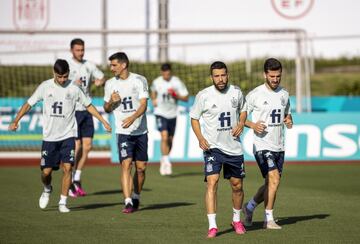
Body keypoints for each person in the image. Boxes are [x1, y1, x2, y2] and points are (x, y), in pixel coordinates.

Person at [8, 59, 111, 213]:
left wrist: (103, 121)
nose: (62, 79)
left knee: (68, 168)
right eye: (59, 76)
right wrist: (16, 120)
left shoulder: (75, 88)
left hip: (68, 135)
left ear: (68, 73)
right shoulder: (45, 87)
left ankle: (63, 202)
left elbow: (88, 105)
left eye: (65, 76)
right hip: (49, 138)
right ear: (54, 73)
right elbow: (29, 103)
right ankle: (47, 188)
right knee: (46, 172)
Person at [190, 61, 247, 238]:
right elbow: (194, 118)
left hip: (234, 148)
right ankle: (212, 226)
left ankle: (236, 220)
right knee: (212, 182)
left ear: (227, 75)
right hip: (212, 148)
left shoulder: (236, 92)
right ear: (212, 77)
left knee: (237, 186)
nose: (220, 79)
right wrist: (200, 138)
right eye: (217, 76)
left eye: (223, 75)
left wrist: (241, 122)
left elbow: (244, 109)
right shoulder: (204, 95)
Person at [242, 58, 293, 229]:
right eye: (272, 76)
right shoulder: (255, 94)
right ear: (265, 75)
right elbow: (239, 117)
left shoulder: (284, 94)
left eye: (278, 76)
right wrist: (253, 125)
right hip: (262, 145)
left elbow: (287, 114)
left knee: (270, 183)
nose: (275, 79)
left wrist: (288, 120)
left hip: (279, 145)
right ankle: (268, 219)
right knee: (274, 178)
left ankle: (249, 208)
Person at [103, 52, 149, 214]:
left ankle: (136, 196)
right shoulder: (109, 84)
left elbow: (144, 105)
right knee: (126, 164)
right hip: (122, 132)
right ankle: (128, 201)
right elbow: (106, 108)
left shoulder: (139, 80)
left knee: (141, 168)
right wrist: (111, 102)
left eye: (114, 65)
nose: (111, 68)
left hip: (140, 131)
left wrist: (133, 117)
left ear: (123, 65)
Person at [67, 38, 106, 197]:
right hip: (73, 110)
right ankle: (68, 181)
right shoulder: (67, 65)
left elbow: (103, 78)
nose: (80, 52)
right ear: (71, 50)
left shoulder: (89, 65)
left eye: (82, 49)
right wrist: (70, 83)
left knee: (87, 146)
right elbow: (57, 82)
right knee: (76, 148)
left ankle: (76, 178)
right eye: (77, 50)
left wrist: (100, 81)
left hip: (87, 109)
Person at [150, 63, 189, 175]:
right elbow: (153, 91)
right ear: (162, 73)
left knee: (170, 140)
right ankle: (166, 160)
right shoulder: (157, 82)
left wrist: (176, 95)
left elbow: (186, 98)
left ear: (170, 72)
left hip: (172, 114)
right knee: (164, 136)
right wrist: (153, 100)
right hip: (160, 112)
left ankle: (164, 158)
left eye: (168, 74)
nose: (166, 76)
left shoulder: (176, 82)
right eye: (164, 74)